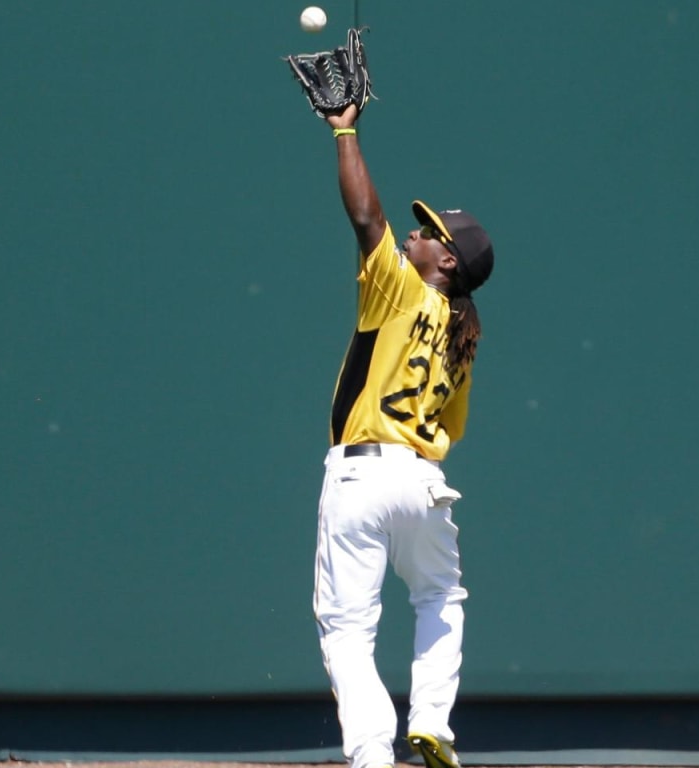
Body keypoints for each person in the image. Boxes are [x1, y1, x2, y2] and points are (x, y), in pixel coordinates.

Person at [312, 101, 495, 768]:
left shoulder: (398, 290)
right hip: (421, 480)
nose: (413, 237)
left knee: (348, 630)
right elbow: (454, 427)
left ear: (445, 262)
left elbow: (365, 217)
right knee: (441, 595)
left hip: (360, 475)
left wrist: (343, 129)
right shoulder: (464, 334)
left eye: (428, 234)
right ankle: (433, 726)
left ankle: (370, 756)